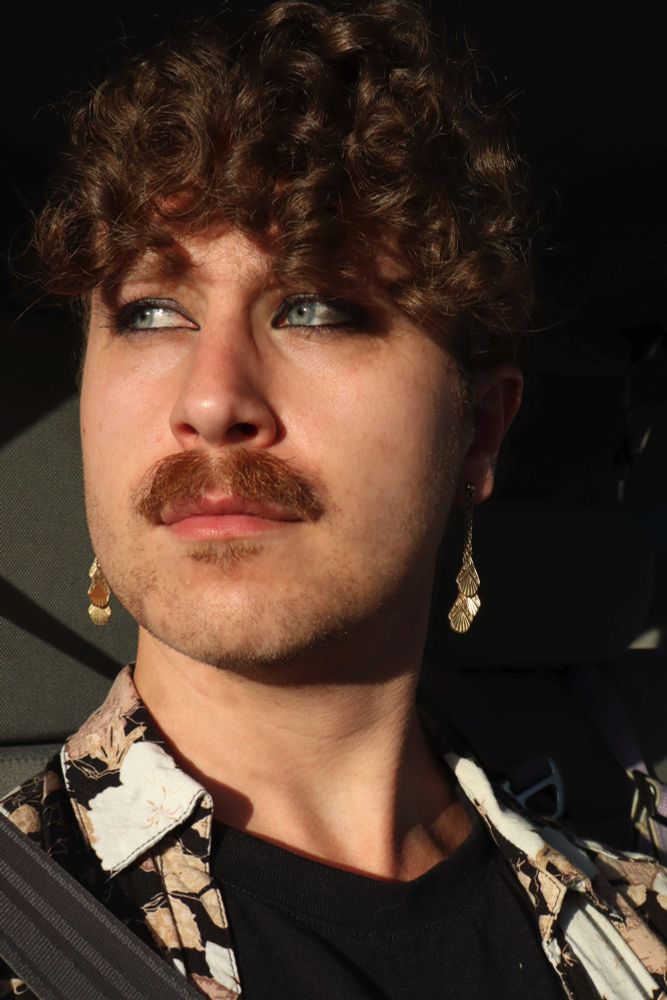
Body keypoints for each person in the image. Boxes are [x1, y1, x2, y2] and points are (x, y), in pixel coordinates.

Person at [2, 1, 666, 997]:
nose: (213, 398)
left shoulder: (635, 929)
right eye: (151, 311)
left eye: (314, 307)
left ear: (477, 431)